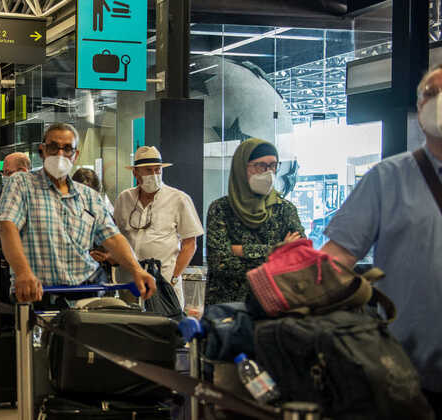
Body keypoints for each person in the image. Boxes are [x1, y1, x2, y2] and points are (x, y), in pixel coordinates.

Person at [321, 66, 442, 414]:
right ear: (418, 111)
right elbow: (335, 260)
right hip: (406, 371)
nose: (437, 102)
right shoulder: (387, 180)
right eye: (429, 95)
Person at [0, 122, 156, 304]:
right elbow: (8, 226)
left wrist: (137, 270)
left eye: (68, 149)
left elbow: (113, 238)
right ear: (42, 150)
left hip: (86, 288)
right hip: (36, 291)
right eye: (53, 147)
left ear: (75, 155)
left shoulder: (88, 196)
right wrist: (22, 272)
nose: (60, 154)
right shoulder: (21, 184)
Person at [205, 138, 304, 305]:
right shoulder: (221, 209)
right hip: (227, 309)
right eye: (260, 166)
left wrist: (241, 250)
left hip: (273, 304)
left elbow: (297, 256)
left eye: (273, 165)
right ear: (242, 168)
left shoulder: (285, 209)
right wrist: (276, 252)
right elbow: (220, 263)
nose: (268, 172)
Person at [112, 147, 204, 307]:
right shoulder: (124, 198)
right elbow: (116, 236)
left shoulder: (178, 199)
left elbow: (190, 244)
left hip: (164, 282)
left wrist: (173, 278)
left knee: (165, 327)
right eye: (148, 170)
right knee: (130, 327)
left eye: (158, 170)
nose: (154, 175)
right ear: (135, 173)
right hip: (129, 282)